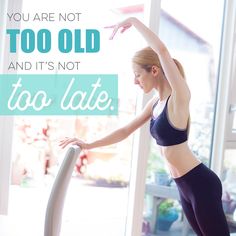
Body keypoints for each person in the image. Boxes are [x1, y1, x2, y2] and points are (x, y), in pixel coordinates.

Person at [59, 17, 230, 236]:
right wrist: (88, 144)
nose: (135, 81)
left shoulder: (179, 98)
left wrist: (133, 21)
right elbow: (124, 131)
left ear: (155, 70)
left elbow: (162, 51)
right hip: (184, 185)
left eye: (138, 75)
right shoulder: (155, 104)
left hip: (200, 184)